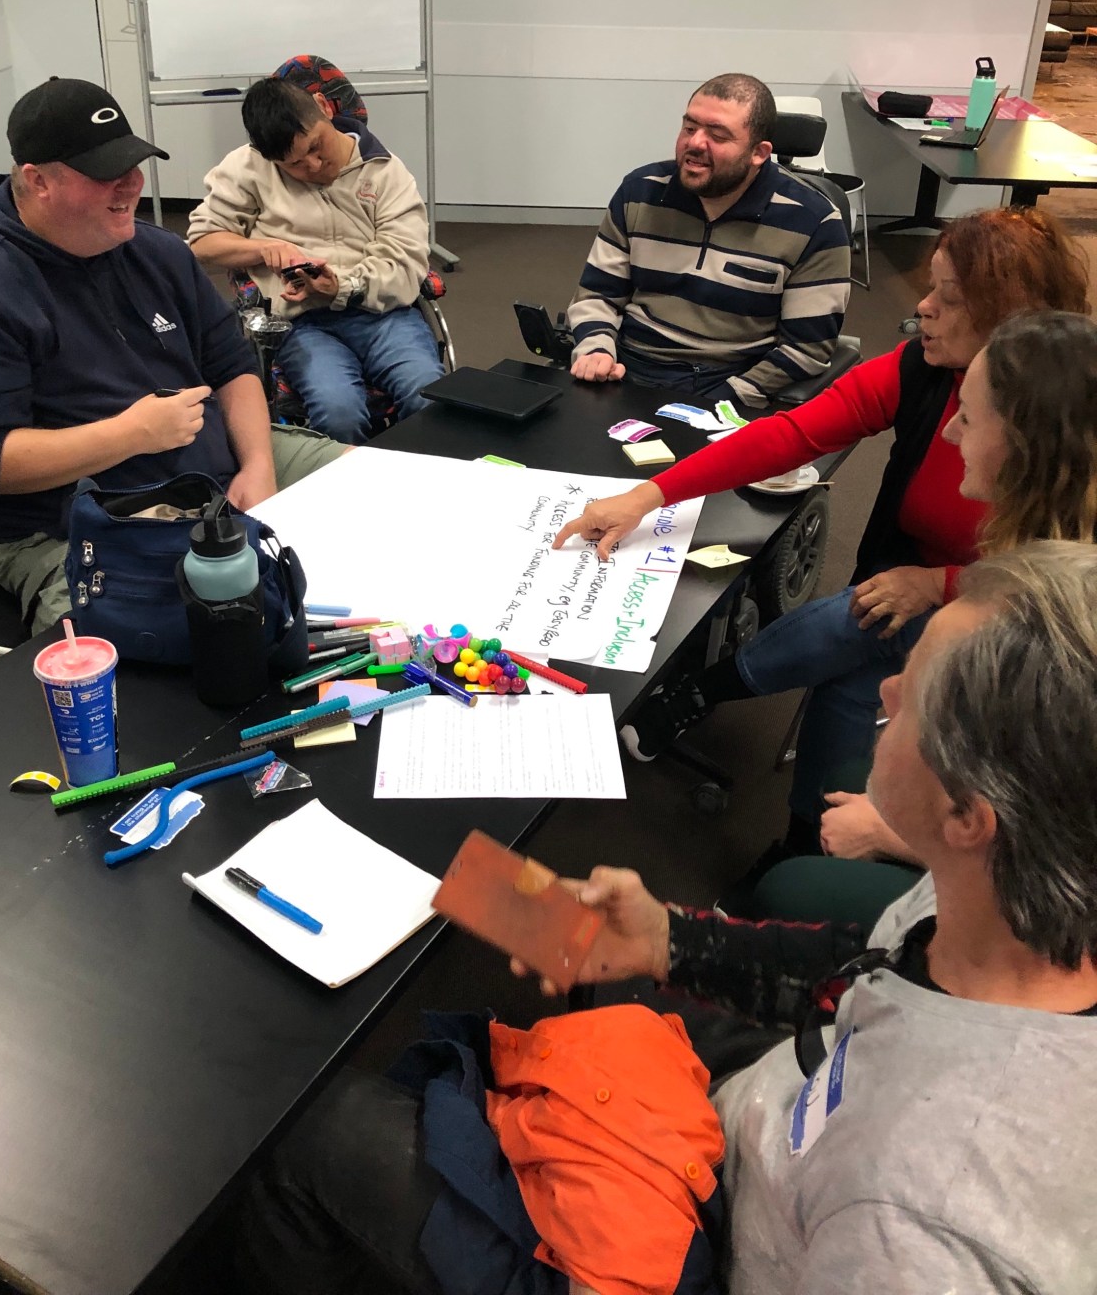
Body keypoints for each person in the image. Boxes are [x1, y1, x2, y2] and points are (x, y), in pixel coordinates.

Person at [232, 542, 1097, 1294]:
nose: (888, 687)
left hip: (697, 1254)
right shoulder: (1006, 909)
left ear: (967, 813)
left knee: (306, 1127)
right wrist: (671, 940)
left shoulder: (912, 1223)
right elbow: (876, 970)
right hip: (769, 1129)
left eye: (914, 696)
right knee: (558, 946)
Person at [556, 207, 1088, 855]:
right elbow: (793, 434)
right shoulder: (927, 370)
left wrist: (942, 584)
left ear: (1009, 317)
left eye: (946, 297)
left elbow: (1068, 583)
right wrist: (648, 494)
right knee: (862, 645)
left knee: (862, 627)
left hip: (1028, 635)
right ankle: (809, 844)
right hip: (912, 587)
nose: (920, 307)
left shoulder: (1075, 427)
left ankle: (720, 712)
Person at [0, 78, 344, 633]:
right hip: (75, 525)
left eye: (133, 165)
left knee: (379, 493)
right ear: (38, 181)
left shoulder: (157, 252)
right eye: (105, 174)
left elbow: (231, 367)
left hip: (217, 463)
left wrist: (257, 464)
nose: (131, 185)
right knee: (177, 664)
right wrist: (130, 435)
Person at [748, 308, 1097, 929]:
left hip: (1044, 925)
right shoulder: (1046, 570)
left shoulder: (1041, 622)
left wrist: (895, 839)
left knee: (790, 891)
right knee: (853, 737)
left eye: (968, 415)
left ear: (1022, 442)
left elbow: (1069, 862)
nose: (949, 434)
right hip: (1014, 826)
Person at [565, 73, 851, 405]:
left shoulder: (814, 221)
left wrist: (727, 398)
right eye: (689, 128)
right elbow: (597, 295)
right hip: (628, 365)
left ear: (758, 153)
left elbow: (807, 348)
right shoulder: (640, 192)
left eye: (717, 135)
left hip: (731, 380)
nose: (695, 143)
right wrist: (596, 349)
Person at [188, 76, 443, 443]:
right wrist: (262, 248)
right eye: (293, 164)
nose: (313, 165)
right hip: (303, 323)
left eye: (316, 146)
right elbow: (202, 242)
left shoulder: (384, 170)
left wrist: (341, 287)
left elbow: (405, 262)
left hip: (384, 313)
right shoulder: (247, 168)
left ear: (325, 107)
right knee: (338, 413)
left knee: (428, 399)